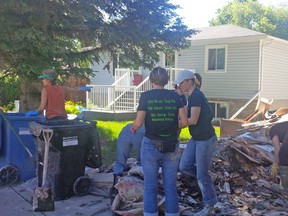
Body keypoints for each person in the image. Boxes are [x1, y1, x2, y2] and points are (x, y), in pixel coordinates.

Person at [131, 66, 188, 216]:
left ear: (151, 81)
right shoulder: (175, 96)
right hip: (171, 146)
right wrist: (175, 127)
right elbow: (185, 122)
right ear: (167, 80)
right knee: (170, 186)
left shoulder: (146, 96)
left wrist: (133, 127)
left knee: (150, 186)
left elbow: (138, 123)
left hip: (150, 145)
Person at [174, 69, 217, 216]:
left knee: (201, 175)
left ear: (188, 81)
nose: (180, 86)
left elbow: (192, 120)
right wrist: (180, 98)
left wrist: (173, 125)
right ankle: (205, 180)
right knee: (184, 165)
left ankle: (210, 206)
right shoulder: (191, 96)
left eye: (181, 83)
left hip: (205, 139)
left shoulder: (197, 96)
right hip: (196, 138)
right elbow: (185, 112)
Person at [25, 69, 91, 120]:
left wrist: (34, 113)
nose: (42, 80)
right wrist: (84, 88)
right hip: (63, 118)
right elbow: (74, 90)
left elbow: (41, 108)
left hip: (51, 119)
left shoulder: (45, 90)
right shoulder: (62, 88)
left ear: (48, 80)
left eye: (43, 78)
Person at [110, 123, 145, 196]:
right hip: (143, 132)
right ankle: (141, 189)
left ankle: (115, 188)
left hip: (126, 129)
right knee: (142, 161)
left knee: (120, 161)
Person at [268, 121, 288, 190]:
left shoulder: (272, 131)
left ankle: (284, 188)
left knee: (283, 156)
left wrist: (275, 164)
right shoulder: (281, 127)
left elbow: (277, 148)